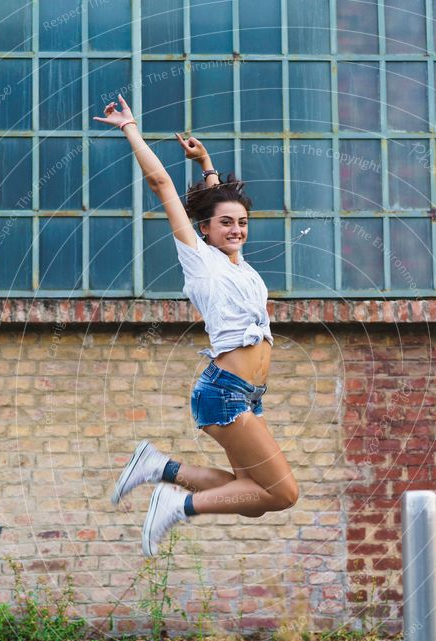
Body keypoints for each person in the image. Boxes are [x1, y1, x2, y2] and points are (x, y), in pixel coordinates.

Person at [94, 94, 299, 556]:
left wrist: (207, 163)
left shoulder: (237, 264)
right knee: (284, 493)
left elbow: (216, 204)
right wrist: (130, 129)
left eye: (242, 223)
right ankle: (179, 505)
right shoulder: (200, 260)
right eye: (226, 223)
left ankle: (159, 468)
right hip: (224, 391)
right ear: (204, 229)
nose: (237, 229)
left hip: (247, 394)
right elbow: (162, 183)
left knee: (253, 498)